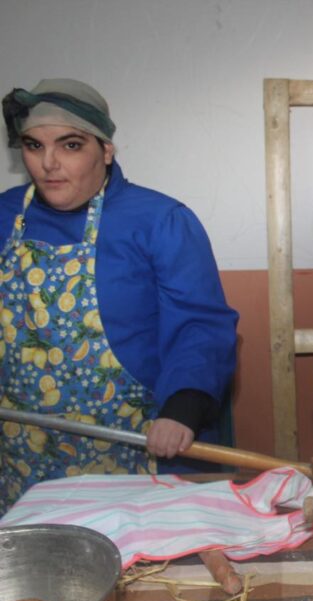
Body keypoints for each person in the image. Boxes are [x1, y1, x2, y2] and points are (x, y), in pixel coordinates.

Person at [0, 78, 238, 514]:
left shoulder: (160, 221)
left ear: (106, 150)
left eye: (70, 146)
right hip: (22, 454)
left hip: (135, 449)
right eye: (34, 146)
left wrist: (182, 408)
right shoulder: (4, 216)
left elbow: (200, 325)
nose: (49, 164)